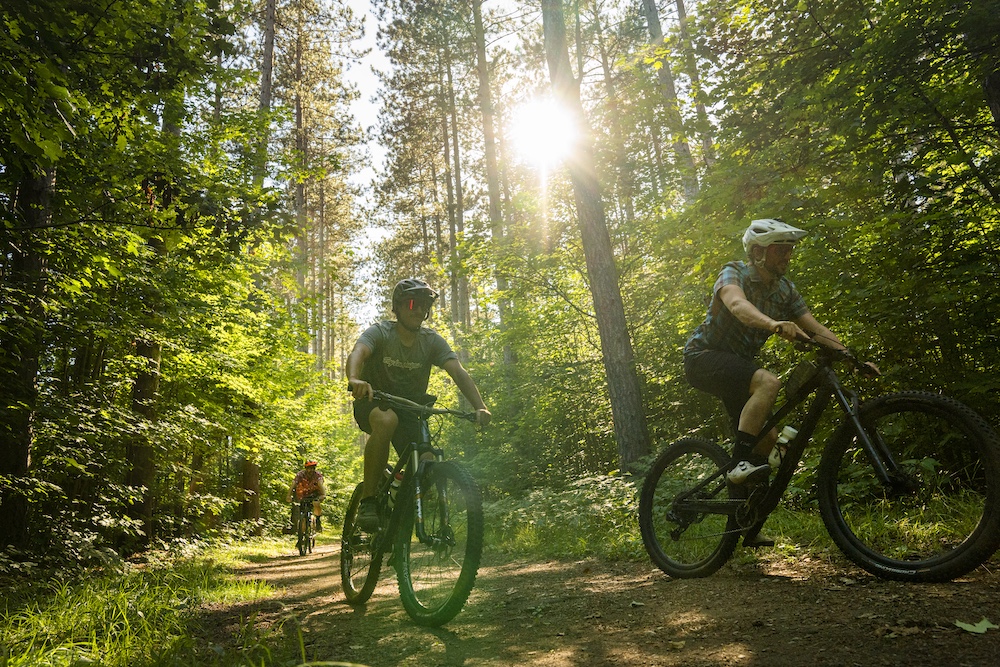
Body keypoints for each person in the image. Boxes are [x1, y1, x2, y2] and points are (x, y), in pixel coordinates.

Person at [683, 219, 876, 544]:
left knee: (768, 440)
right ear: (758, 252)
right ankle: (740, 464)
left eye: (790, 249)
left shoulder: (784, 290)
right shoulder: (735, 272)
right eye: (781, 249)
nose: (788, 255)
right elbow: (736, 305)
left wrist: (851, 357)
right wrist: (774, 324)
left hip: (736, 367)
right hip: (703, 357)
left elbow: (814, 327)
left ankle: (743, 523)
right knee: (768, 383)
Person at [345, 278, 491, 531]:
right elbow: (358, 351)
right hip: (373, 401)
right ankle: (369, 501)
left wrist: (480, 406)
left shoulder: (431, 340)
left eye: (424, 305)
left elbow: (458, 372)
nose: (418, 309)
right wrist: (355, 378)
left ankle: (397, 512)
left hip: (411, 410)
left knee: (425, 460)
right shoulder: (381, 332)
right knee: (386, 419)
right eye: (412, 303)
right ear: (398, 307)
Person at [287, 459, 326, 532]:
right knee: (303, 516)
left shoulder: (317, 475)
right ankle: (301, 538)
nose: (310, 470)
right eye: (309, 468)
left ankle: (318, 520)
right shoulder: (300, 474)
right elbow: (293, 484)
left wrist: (323, 495)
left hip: (315, 494)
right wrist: (288, 496)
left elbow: (320, 484)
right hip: (303, 495)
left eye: (312, 468)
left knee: (316, 503)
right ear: (306, 468)